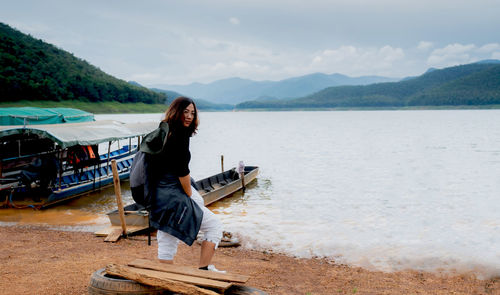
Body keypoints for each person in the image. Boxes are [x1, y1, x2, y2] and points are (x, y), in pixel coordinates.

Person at [146, 96, 225, 272]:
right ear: (176, 111)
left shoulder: (163, 132)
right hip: (173, 194)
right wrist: (189, 195)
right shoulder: (180, 135)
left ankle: (166, 278)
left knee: (167, 232)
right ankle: (204, 268)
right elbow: (182, 171)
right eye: (185, 112)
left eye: (192, 113)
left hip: (158, 195)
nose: (189, 116)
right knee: (214, 226)